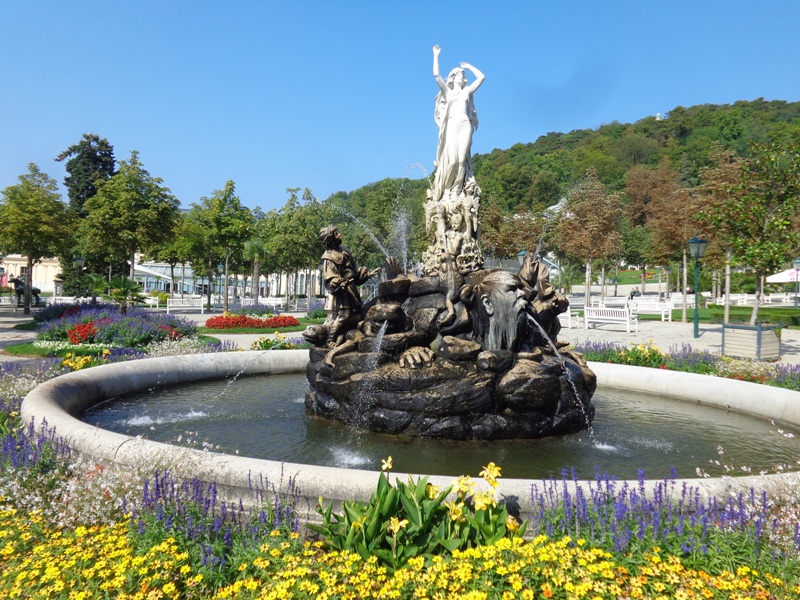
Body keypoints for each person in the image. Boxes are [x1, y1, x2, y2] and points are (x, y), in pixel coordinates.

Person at [431, 44, 485, 203]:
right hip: (452, 125)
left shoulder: (467, 91)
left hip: (464, 125)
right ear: (453, 78)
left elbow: (481, 77)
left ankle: (456, 191)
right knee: (452, 160)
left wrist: (468, 66)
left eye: (463, 74)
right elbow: (436, 75)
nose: (462, 75)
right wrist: (436, 56)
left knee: (462, 160)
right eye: (460, 73)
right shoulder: (447, 92)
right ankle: (447, 190)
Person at [319, 225, 381, 346]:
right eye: (335, 234)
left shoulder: (345, 250)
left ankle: (347, 337)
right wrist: (336, 282)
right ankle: (330, 339)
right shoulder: (328, 257)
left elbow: (354, 272)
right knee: (344, 315)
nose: (339, 235)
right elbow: (329, 276)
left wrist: (367, 275)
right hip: (342, 291)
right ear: (330, 239)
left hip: (351, 289)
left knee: (357, 315)